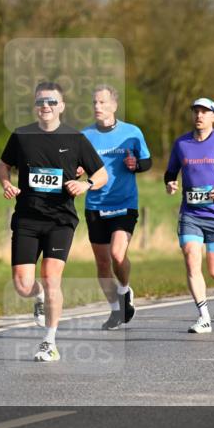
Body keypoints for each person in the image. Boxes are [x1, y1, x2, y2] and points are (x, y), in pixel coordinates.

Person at [0, 82, 108, 362]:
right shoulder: (21, 136)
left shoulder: (75, 139)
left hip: (60, 219)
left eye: (51, 102)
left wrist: (85, 185)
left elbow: (102, 174)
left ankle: (49, 342)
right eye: (40, 102)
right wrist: (6, 184)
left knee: (51, 276)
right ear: (35, 106)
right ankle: (39, 297)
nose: (45, 106)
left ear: (62, 106)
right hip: (27, 218)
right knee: (23, 285)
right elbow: (3, 165)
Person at [80, 85, 152, 330]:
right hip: (95, 205)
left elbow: (147, 161)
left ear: (114, 105)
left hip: (124, 203)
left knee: (118, 254)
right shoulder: (84, 135)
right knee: (102, 263)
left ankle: (124, 290)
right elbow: (75, 167)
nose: (97, 107)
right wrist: (77, 171)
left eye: (102, 102)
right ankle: (115, 310)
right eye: (94, 102)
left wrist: (135, 165)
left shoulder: (132, 132)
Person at [164, 97, 214, 334]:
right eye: (196, 111)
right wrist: (170, 183)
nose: (199, 115)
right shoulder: (182, 143)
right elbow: (170, 172)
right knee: (191, 257)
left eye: (204, 112)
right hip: (190, 214)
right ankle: (203, 317)